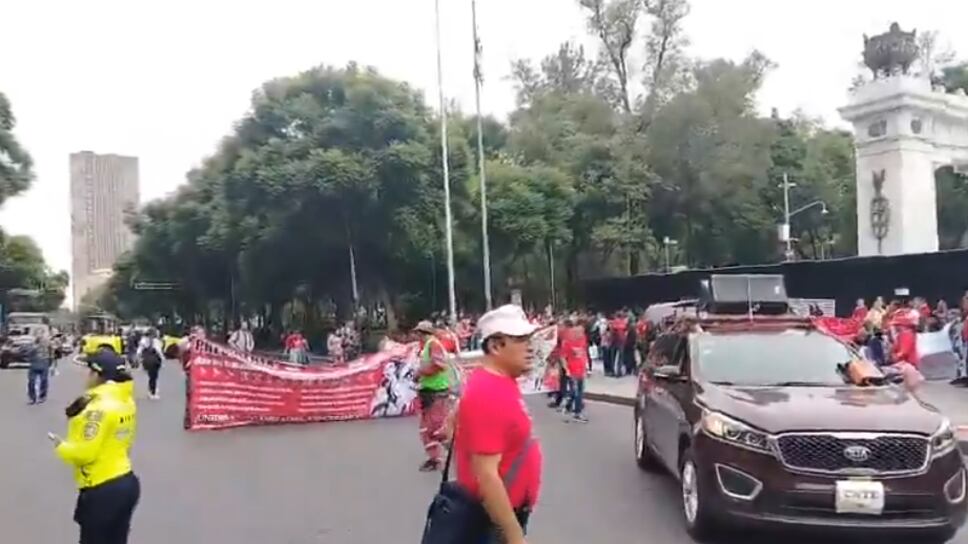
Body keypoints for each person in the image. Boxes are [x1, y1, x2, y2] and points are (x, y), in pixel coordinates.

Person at [454, 304, 543, 544]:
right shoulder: (487, 392)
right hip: (491, 524)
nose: (530, 347)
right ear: (495, 346)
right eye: (521, 340)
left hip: (497, 519)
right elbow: (486, 477)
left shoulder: (500, 382)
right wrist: (514, 537)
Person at [50, 350, 139, 544]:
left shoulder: (97, 409)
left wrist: (60, 446)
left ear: (97, 374)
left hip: (101, 486)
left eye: (88, 370)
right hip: (125, 479)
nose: (84, 374)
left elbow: (84, 454)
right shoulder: (126, 400)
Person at [415, 320, 453, 472]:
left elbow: (439, 365)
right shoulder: (427, 346)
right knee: (427, 428)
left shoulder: (433, 345)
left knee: (436, 428)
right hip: (429, 390)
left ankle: (458, 451)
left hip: (437, 391)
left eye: (419, 333)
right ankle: (434, 458)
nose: (417, 336)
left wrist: (421, 372)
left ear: (423, 333)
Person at [561, 319, 589, 423]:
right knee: (578, 393)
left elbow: (584, 352)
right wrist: (566, 370)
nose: (581, 333)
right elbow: (562, 357)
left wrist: (586, 366)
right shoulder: (567, 341)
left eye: (582, 331)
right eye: (579, 331)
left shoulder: (583, 339)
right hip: (572, 371)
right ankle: (577, 413)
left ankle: (568, 406)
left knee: (577, 391)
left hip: (581, 369)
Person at [137, 329, 165, 400]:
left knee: (151, 376)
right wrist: (162, 359)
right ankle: (152, 392)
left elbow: (139, 352)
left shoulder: (143, 341)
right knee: (154, 377)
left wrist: (139, 360)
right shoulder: (156, 341)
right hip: (154, 361)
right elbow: (159, 351)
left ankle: (151, 390)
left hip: (146, 360)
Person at [27, 335, 51, 405]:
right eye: (41, 341)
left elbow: (51, 356)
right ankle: (32, 398)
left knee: (44, 380)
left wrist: (51, 365)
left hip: (44, 366)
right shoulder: (33, 347)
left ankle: (42, 396)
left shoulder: (47, 348)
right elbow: (28, 354)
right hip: (34, 366)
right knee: (31, 382)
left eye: (44, 341)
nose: (43, 342)